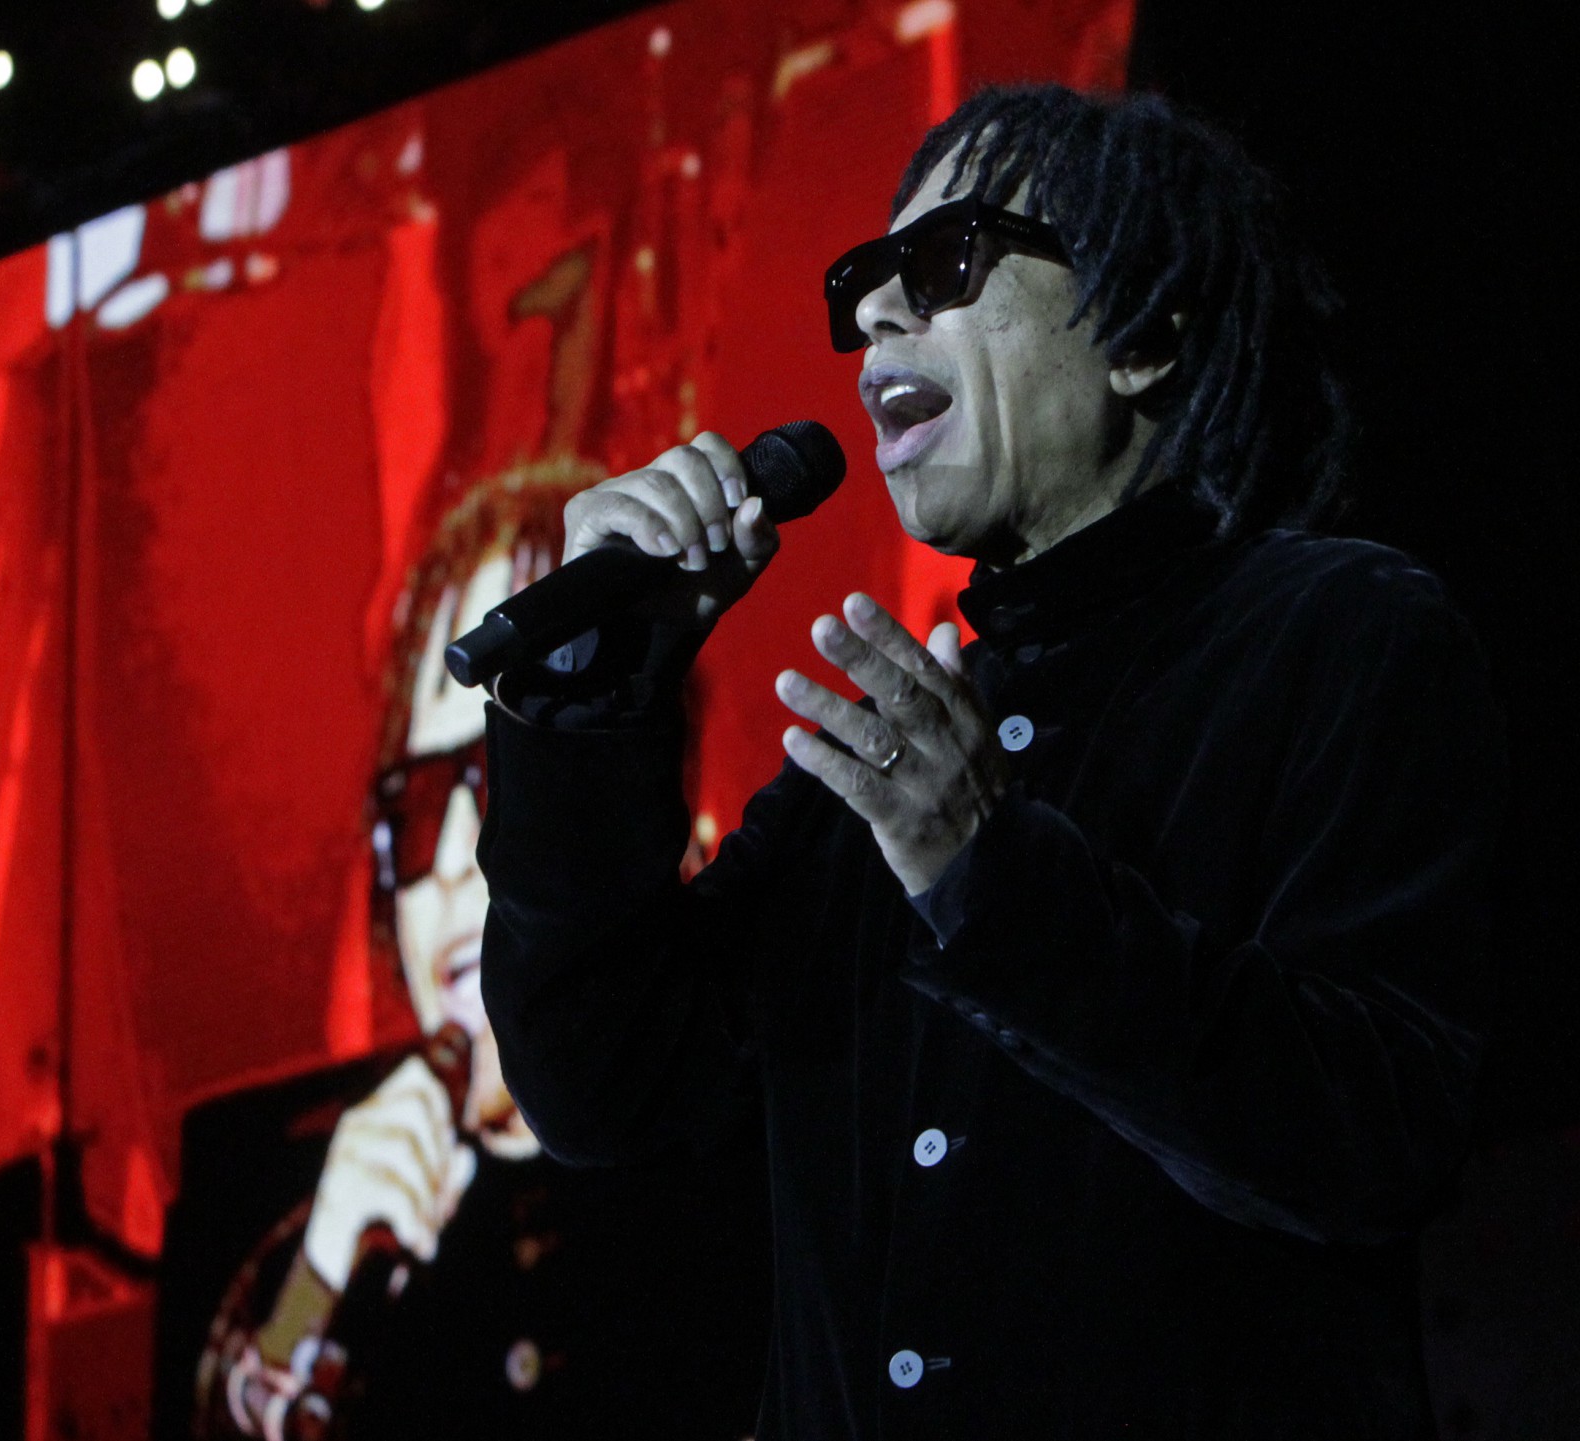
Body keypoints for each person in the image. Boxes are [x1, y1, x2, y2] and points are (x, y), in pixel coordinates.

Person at [478, 85, 1503, 1438]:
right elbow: (602, 1091)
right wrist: (588, 716)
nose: (879, 319)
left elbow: (1378, 1139)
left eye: (946, 262)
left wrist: (994, 879)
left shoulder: (1339, 632)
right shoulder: (887, 750)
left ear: (1139, 333)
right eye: (866, 286)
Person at [184, 463, 768, 1441]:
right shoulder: (287, 1202)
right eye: (415, 811)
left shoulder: (765, 1109)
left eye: (497, 780)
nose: (454, 864)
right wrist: (319, 1290)